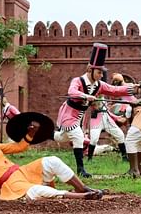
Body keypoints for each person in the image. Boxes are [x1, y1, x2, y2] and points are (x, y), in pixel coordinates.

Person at [0, 123, 104, 201]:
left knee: (52, 160)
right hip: (11, 185)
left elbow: (19, 147)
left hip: (23, 171)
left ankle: (82, 189)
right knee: (35, 192)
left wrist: (31, 133)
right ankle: (83, 197)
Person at [55, 44, 135, 178]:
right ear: (90, 70)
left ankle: (48, 134)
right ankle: (81, 170)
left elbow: (114, 90)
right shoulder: (78, 80)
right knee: (78, 137)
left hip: (79, 117)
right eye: (98, 72)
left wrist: (133, 88)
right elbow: (72, 92)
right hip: (68, 114)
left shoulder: (99, 85)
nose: (101, 75)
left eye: (102, 72)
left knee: (61, 137)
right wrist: (86, 96)